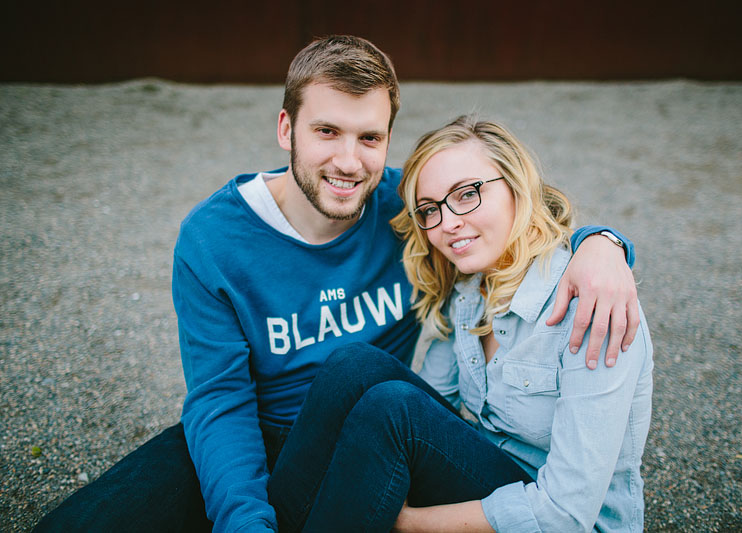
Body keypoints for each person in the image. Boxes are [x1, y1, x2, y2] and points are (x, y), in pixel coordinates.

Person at [34, 37, 639, 533]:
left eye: (369, 138)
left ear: (385, 143)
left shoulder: (411, 208)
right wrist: (244, 520)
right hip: (262, 432)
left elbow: (517, 203)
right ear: (286, 128)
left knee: (358, 369)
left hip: (372, 427)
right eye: (326, 132)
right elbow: (219, 399)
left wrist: (603, 246)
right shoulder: (213, 240)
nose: (349, 162)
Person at [261, 116, 653, 532]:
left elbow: (564, 514)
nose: (447, 223)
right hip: (491, 479)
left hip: (561, 519)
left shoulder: (593, 305)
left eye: (467, 194)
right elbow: (435, 410)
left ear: (516, 186)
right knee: (354, 365)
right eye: (430, 209)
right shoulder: (469, 291)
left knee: (392, 410)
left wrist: (408, 522)